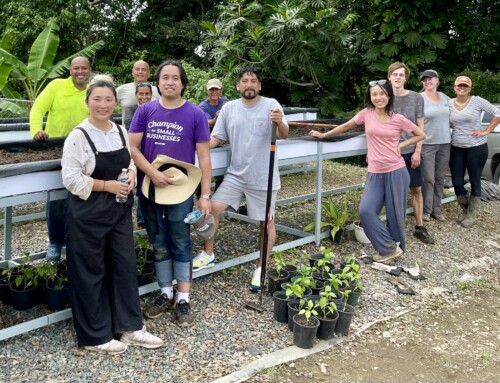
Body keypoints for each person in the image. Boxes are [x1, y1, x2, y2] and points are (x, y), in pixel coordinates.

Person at [61, 75, 163, 355]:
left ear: (116, 102)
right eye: (97, 99)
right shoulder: (78, 137)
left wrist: (130, 174)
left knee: (124, 266)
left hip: (118, 211)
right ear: (87, 102)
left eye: (108, 99)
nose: (103, 105)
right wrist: (106, 185)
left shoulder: (119, 130)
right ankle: (96, 336)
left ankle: (130, 328)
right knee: (90, 271)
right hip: (88, 214)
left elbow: (130, 160)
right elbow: (71, 179)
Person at [129, 60, 212, 326]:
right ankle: (165, 293)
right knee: (159, 241)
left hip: (182, 189)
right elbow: (132, 147)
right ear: (158, 82)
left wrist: (205, 194)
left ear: (183, 83)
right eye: (165, 77)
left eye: (175, 78)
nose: (170, 82)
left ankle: (184, 298)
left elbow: (204, 155)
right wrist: (151, 173)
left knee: (180, 239)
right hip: (150, 187)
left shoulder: (195, 115)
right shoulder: (145, 111)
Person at [193, 67, 289, 291]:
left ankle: (261, 267)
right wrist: (196, 148)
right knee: (210, 209)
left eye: (253, 81)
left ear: (259, 86)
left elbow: (284, 133)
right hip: (235, 175)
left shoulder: (271, 104)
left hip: (263, 176)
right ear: (237, 86)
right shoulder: (229, 109)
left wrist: (280, 122)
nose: (249, 84)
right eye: (244, 81)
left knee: (267, 223)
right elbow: (216, 138)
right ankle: (208, 254)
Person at [309, 80, 425, 264]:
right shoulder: (366, 114)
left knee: (396, 214)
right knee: (366, 211)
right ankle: (389, 247)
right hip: (375, 171)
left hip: (396, 171)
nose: (378, 98)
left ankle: (392, 251)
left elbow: (421, 134)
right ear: (370, 97)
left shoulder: (398, 118)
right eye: (374, 94)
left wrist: (401, 145)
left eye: (382, 94)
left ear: (388, 95)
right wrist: (324, 135)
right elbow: (347, 126)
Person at [29, 56, 92, 262]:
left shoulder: (94, 90)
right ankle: (55, 242)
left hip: (86, 149)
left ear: (89, 70)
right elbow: (38, 108)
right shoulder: (57, 86)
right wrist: (37, 130)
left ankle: (79, 241)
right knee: (57, 199)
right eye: (76, 68)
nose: (80, 71)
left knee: (84, 196)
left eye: (84, 68)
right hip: (58, 150)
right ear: (70, 70)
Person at [388, 62, 434, 245]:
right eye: (394, 74)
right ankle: (394, 229)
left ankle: (420, 227)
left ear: (406, 78)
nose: (398, 77)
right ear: (389, 77)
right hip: (390, 151)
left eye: (401, 74)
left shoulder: (416, 98)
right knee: (393, 191)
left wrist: (417, 151)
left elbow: (420, 126)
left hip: (410, 150)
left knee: (416, 188)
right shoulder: (383, 97)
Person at [449, 75, 500, 227]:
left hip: (476, 148)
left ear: (470, 88)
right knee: (457, 182)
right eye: (459, 85)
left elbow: (497, 113)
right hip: (456, 147)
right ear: (455, 87)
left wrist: (486, 131)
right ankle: (465, 209)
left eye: (465, 86)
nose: (462, 88)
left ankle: (471, 215)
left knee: (474, 180)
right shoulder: (449, 103)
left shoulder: (477, 101)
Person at [419, 69, 451, 222]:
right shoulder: (420, 98)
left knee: (440, 177)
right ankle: (426, 210)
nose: (427, 82)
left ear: (437, 80)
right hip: (427, 144)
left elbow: (455, 117)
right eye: (424, 80)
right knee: (428, 178)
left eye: (430, 79)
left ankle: (437, 209)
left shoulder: (445, 98)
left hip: (445, 143)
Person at [198, 78, 229, 193]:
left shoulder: (225, 101)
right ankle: (201, 194)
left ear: (221, 91)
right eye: (211, 90)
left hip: (224, 139)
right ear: (207, 91)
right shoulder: (203, 106)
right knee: (203, 169)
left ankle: (218, 195)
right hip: (208, 139)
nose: (214, 92)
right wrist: (218, 117)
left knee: (222, 170)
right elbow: (207, 123)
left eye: (216, 89)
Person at [117, 60, 160, 128]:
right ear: (132, 72)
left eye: (144, 69)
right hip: (128, 133)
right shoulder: (121, 90)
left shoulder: (158, 91)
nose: (140, 72)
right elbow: (107, 106)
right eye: (137, 69)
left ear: (148, 73)